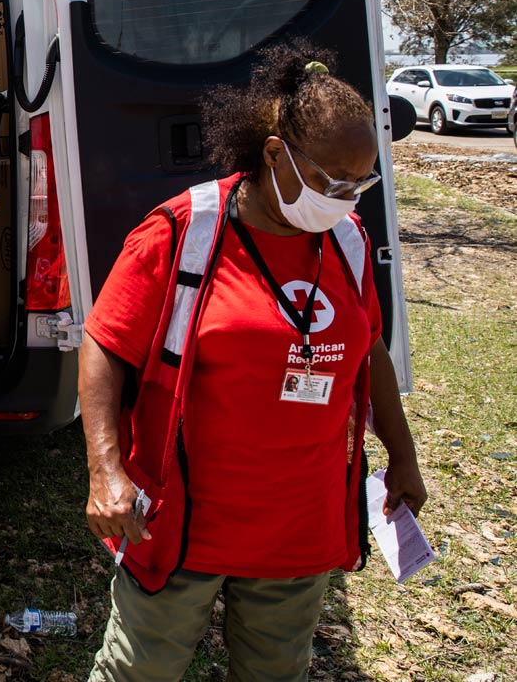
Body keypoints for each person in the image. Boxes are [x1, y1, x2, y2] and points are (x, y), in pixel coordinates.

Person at [79, 44, 427, 682]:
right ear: (275, 156)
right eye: (330, 182)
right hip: (184, 525)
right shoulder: (184, 231)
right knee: (140, 671)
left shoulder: (347, 241)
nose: (346, 200)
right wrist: (105, 470)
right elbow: (105, 343)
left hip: (299, 526)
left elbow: (368, 348)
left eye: (361, 183)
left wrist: (401, 455)